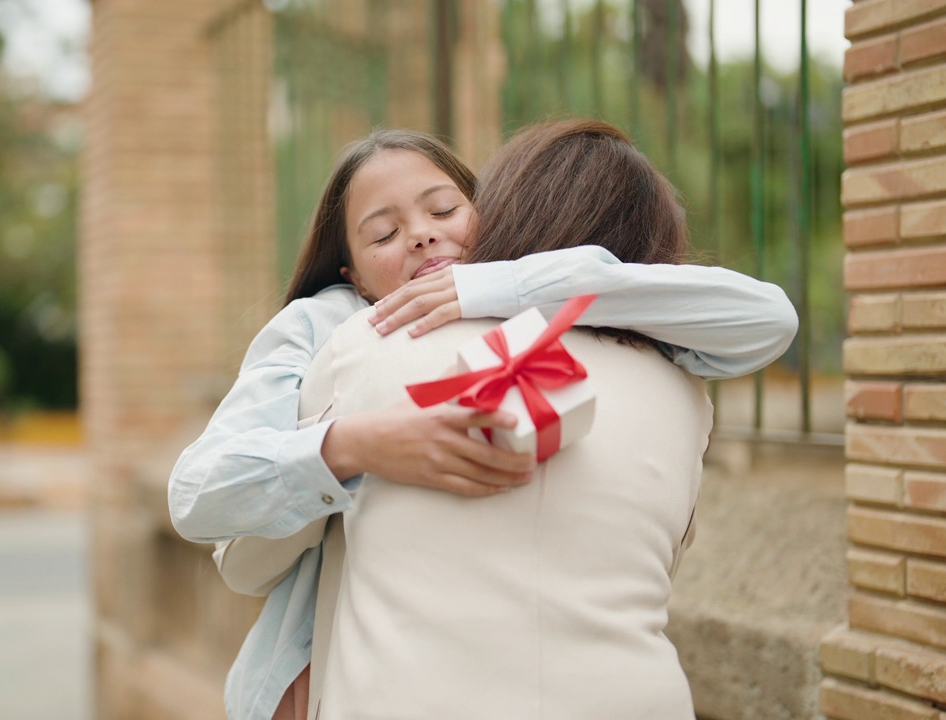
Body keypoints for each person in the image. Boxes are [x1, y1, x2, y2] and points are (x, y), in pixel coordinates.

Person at [168, 129, 798, 720]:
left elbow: (768, 317)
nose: (420, 236)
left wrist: (505, 284)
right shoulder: (332, 329)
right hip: (312, 652)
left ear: (492, 217)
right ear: (352, 275)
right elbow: (203, 496)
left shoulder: (522, 303)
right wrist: (360, 443)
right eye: (383, 233)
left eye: (444, 211)